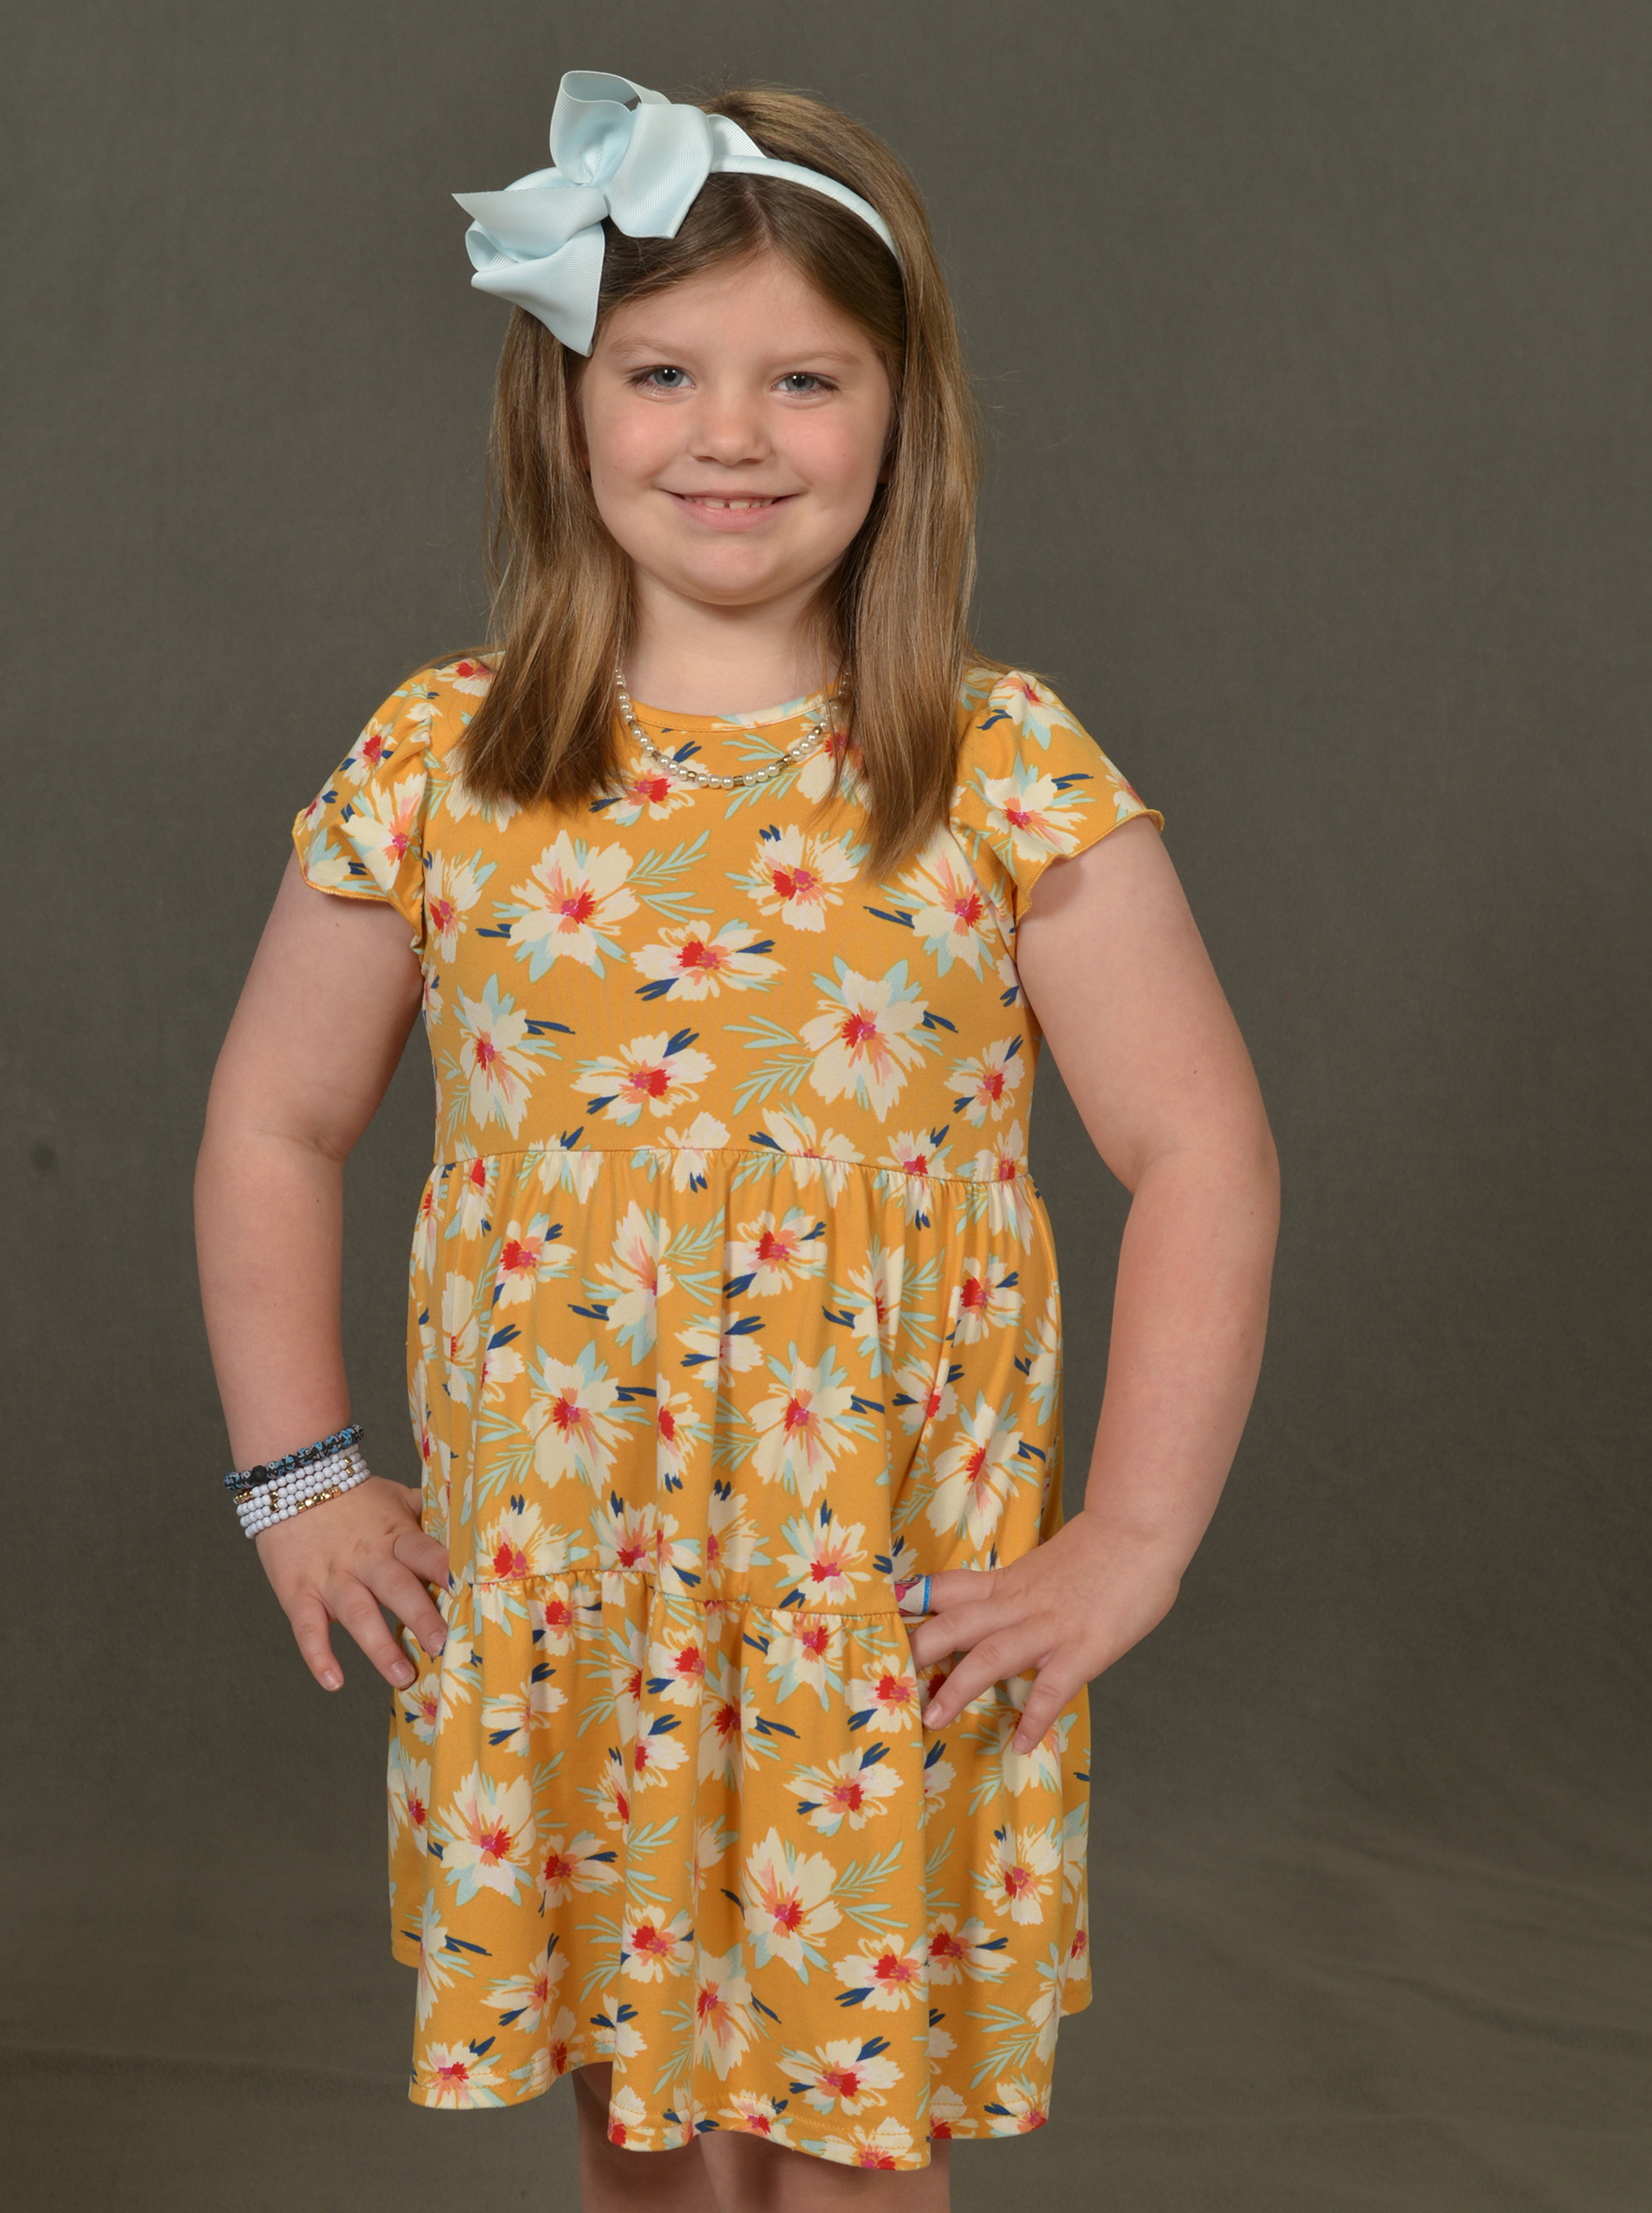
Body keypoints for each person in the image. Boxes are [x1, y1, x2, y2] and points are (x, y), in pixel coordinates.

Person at [193, 68, 1279, 2212]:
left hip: (872, 1599)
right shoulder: (446, 760)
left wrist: (1137, 1534)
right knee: (639, 2107)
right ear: (566, 406)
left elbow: (1203, 1151)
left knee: (851, 2139)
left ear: (900, 414)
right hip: (569, 1593)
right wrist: (298, 1477)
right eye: (665, 372)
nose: (733, 435)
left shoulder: (995, 763)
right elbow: (274, 1115)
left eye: (805, 378)